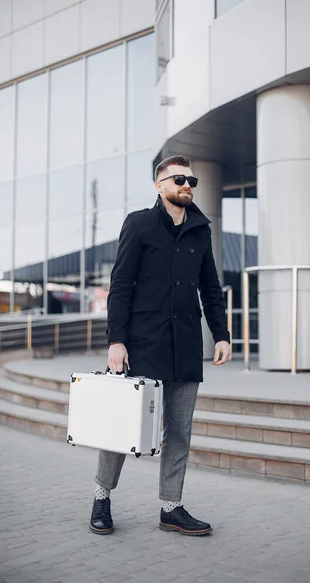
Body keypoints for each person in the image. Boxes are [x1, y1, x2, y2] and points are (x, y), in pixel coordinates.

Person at [90, 155, 231, 537]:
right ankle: (101, 498)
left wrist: (221, 334)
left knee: (179, 431)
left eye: (192, 181)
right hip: (143, 342)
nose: (187, 185)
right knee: (122, 425)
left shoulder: (201, 230)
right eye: (179, 179)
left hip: (185, 343)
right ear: (159, 185)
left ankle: (171, 508)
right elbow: (120, 285)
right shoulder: (139, 224)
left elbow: (211, 287)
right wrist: (116, 340)